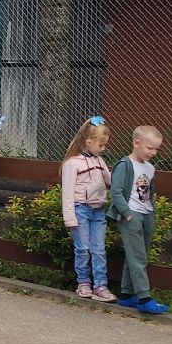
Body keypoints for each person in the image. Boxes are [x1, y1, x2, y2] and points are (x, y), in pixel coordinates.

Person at [112, 125, 172, 315]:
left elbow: (150, 192)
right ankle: (144, 298)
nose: (153, 153)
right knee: (138, 257)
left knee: (138, 255)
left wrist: (151, 212)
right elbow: (116, 191)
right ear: (136, 143)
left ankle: (126, 294)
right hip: (131, 215)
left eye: (156, 149)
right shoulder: (124, 165)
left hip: (146, 214)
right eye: (150, 148)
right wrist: (126, 212)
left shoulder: (150, 168)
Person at [60, 117, 115, 302]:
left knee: (99, 249)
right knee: (82, 248)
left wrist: (125, 173)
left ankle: (101, 285)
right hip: (80, 210)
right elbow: (67, 193)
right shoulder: (72, 164)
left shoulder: (100, 161)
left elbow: (110, 180)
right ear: (88, 142)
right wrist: (70, 218)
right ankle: (83, 282)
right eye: (101, 145)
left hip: (98, 210)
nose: (103, 149)